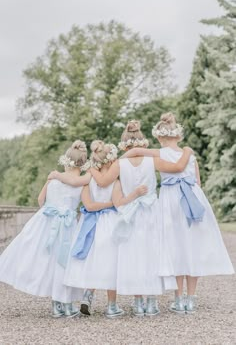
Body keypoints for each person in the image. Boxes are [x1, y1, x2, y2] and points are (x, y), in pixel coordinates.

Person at [121, 113, 235, 314]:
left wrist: (118, 159)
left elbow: (135, 151)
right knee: (192, 246)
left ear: (159, 137)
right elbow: (197, 182)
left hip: (172, 200)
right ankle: (190, 299)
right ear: (179, 136)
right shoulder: (189, 154)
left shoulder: (158, 154)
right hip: (193, 199)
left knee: (175, 246)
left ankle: (178, 298)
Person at [89, 121, 193, 316]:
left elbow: (103, 182)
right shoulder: (152, 161)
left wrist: (90, 168)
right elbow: (178, 168)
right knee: (152, 253)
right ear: (143, 143)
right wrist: (187, 152)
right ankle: (152, 302)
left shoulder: (119, 163)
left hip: (130, 213)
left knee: (134, 254)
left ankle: (138, 302)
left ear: (123, 145)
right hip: (151, 211)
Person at [50, 140, 148, 318]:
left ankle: (87, 297)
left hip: (89, 223)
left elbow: (88, 204)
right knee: (111, 262)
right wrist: (131, 196)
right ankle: (111, 306)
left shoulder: (89, 178)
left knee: (91, 260)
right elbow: (119, 205)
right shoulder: (116, 182)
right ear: (111, 161)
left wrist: (57, 175)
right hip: (109, 222)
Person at [0, 140, 91, 318]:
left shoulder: (53, 179)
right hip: (67, 225)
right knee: (64, 264)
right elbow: (86, 204)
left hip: (47, 222)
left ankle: (56, 306)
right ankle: (66, 303)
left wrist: (52, 205)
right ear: (83, 163)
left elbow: (41, 200)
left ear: (66, 160)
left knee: (48, 262)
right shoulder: (82, 183)